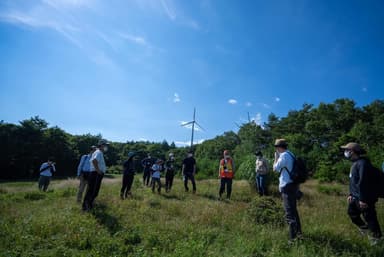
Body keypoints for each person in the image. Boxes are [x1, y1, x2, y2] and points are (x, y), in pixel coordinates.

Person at [341, 142, 382, 245]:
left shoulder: (363, 163)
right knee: (352, 213)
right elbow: (354, 182)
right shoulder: (355, 164)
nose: (345, 152)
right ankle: (365, 230)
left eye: (347, 150)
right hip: (355, 197)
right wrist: (351, 194)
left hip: (364, 198)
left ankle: (377, 239)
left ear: (352, 151)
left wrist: (363, 199)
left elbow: (363, 182)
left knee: (370, 218)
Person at [273, 139, 302, 242]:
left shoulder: (284, 155)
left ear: (279, 147)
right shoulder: (291, 154)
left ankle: (293, 239)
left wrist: (276, 158)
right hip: (293, 185)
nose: (276, 149)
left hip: (287, 186)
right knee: (294, 211)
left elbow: (275, 168)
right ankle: (299, 235)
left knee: (289, 213)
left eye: (276, 147)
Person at [82, 140, 109, 211]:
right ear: (101, 145)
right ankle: (86, 207)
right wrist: (98, 171)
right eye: (105, 145)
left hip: (96, 173)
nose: (106, 147)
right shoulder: (98, 152)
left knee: (94, 191)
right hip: (95, 174)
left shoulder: (99, 152)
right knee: (92, 191)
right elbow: (94, 161)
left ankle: (89, 205)